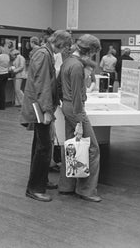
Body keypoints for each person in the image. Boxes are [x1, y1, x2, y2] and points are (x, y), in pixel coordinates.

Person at [20, 30, 72, 202]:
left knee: (40, 146)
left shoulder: (45, 53)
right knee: (43, 148)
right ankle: (34, 188)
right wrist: (47, 111)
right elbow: (43, 85)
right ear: (61, 44)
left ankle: (41, 180)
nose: (65, 50)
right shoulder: (44, 55)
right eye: (66, 47)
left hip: (39, 106)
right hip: (39, 108)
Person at [58, 34, 103, 203]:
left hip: (67, 106)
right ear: (89, 51)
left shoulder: (68, 61)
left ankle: (66, 185)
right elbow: (77, 95)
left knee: (70, 145)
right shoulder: (77, 66)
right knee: (92, 148)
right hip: (76, 108)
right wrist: (79, 120)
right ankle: (86, 190)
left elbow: (59, 85)